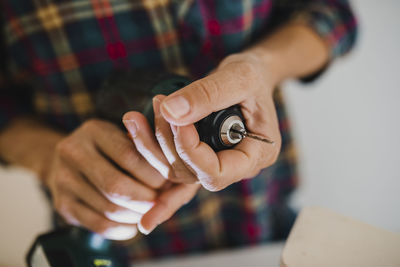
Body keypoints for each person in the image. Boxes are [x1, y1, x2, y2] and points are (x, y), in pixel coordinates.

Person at [0, 0, 357, 261]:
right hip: (112, 243)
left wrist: (264, 65)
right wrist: (50, 157)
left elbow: (331, 14)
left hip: (262, 229)